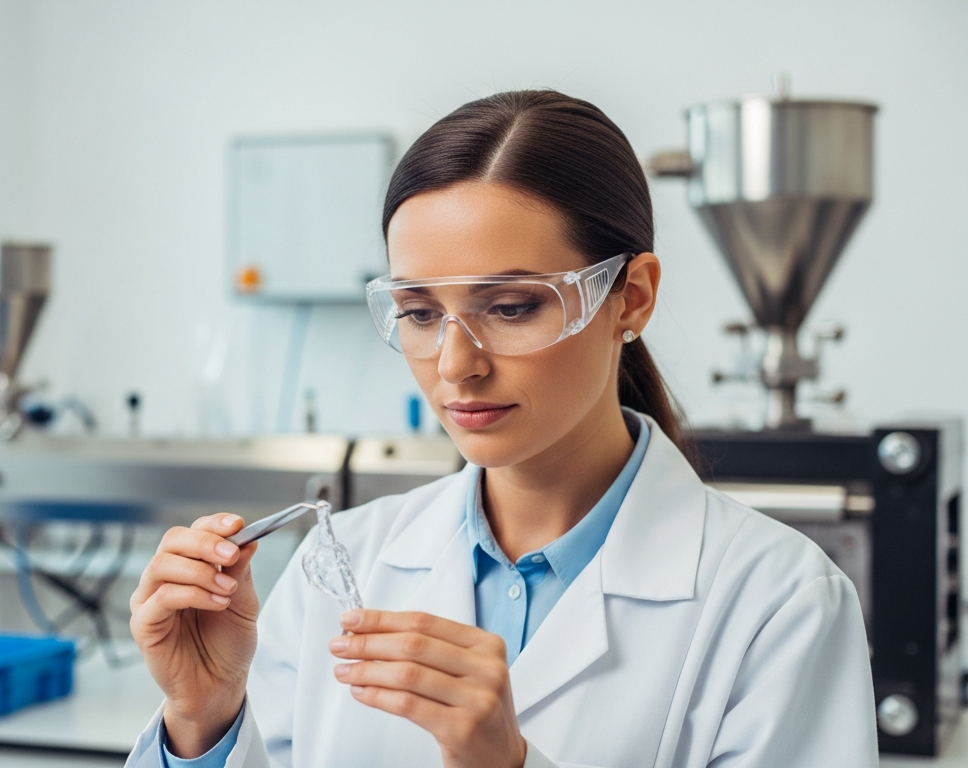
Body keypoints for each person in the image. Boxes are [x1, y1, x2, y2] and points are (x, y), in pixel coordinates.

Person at [125, 90, 876, 768]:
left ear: (631, 298)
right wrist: (202, 719)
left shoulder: (779, 603)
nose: (456, 365)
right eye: (419, 313)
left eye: (512, 307)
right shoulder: (339, 568)